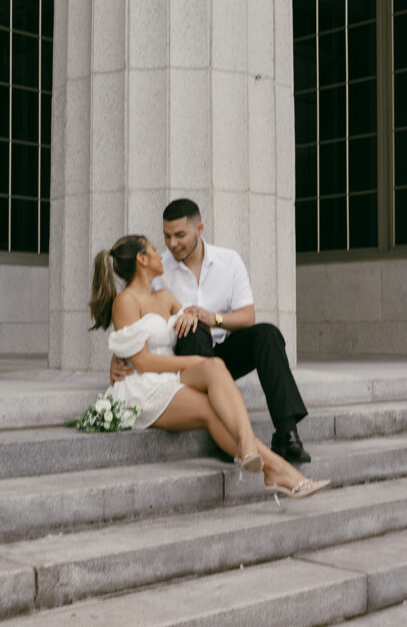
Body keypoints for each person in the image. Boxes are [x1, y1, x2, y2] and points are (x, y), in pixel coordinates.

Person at [91, 233, 329, 499]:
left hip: (170, 377)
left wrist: (202, 319)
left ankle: (253, 450)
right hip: (143, 385)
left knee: (215, 366)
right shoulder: (125, 301)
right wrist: (189, 360)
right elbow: (143, 362)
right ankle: (277, 468)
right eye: (155, 250)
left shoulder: (165, 297)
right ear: (142, 259)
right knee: (211, 409)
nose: (162, 254)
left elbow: (191, 320)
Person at [111, 198, 311, 464]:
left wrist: (212, 318)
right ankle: (223, 430)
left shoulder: (229, 261)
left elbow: (247, 316)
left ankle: (287, 434)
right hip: (189, 356)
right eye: (167, 236)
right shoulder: (158, 270)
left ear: (200, 229)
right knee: (192, 329)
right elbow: (136, 320)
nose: (172, 244)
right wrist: (119, 358)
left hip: (224, 351)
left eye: (180, 235)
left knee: (268, 334)